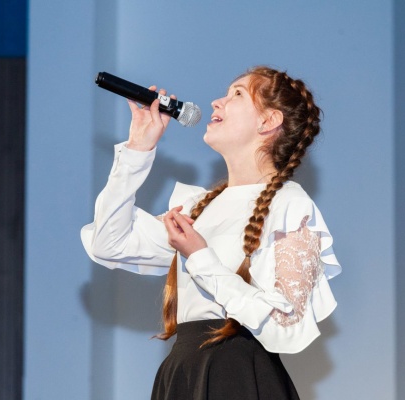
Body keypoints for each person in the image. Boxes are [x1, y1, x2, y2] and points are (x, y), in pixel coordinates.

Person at [81, 66, 341, 400]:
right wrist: (137, 150)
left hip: (238, 375)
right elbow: (108, 243)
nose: (217, 102)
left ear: (268, 121)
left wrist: (200, 257)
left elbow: (287, 325)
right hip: (183, 373)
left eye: (237, 94)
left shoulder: (289, 204)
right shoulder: (197, 207)